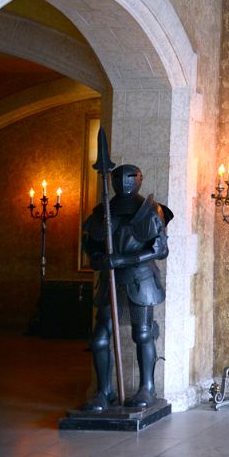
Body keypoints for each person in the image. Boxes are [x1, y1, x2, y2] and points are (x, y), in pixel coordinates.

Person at [80, 164, 172, 411]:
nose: (123, 182)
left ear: (139, 180)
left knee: (142, 334)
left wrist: (122, 260)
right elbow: (90, 247)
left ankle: (147, 389)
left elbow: (160, 250)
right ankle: (104, 391)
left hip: (140, 279)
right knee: (99, 339)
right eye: (117, 178)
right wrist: (99, 260)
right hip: (109, 279)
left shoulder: (152, 210)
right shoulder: (102, 212)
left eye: (129, 177)